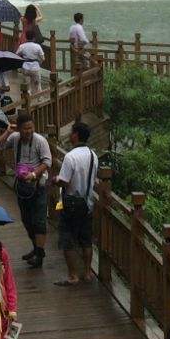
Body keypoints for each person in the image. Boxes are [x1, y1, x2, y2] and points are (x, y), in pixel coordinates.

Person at [0, 111, 52, 268]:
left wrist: (34, 174)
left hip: (38, 185)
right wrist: (8, 131)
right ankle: (36, 248)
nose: (28, 131)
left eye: (31, 128)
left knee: (39, 221)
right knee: (27, 220)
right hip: (22, 186)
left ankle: (40, 255)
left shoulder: (40, 141)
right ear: (19, 129)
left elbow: (47, 162)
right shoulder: (15, 139)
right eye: (25, 128)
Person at [54, 120, 99, 286]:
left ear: (76, 135)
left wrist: (55, 179)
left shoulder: (70, 156)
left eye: (71, 132)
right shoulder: (93, 156)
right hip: (87, 204)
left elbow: (64, 181)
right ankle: (87, 272)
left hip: (71, 204)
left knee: (68, 240)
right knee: (86, 239)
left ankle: (73, 275)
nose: (70, 135)